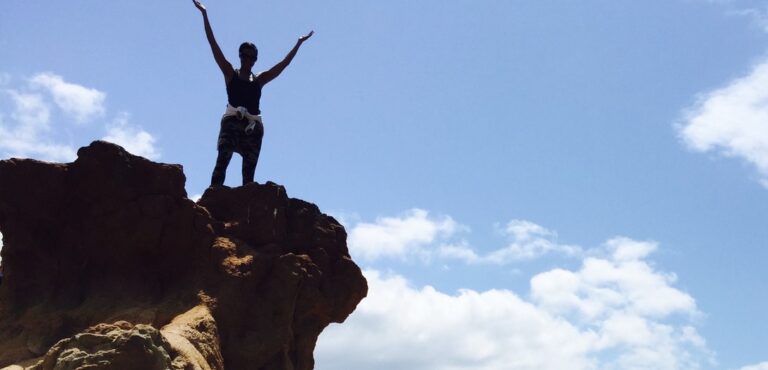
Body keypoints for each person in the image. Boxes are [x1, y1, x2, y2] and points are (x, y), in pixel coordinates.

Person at [193, 0, 314, 186]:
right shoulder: (229, 73)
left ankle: (247, 201)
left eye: (251, 57)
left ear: (255, 60)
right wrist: (204, 15)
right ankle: (215, 195)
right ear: (240, 56)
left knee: (248, 175)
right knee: (222, 161)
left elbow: (283, 65)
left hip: (252, 127)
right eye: (244, 55)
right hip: (232, 122)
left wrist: (298, 44)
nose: (247, 59)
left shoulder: (259, 80)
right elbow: (213, 45)